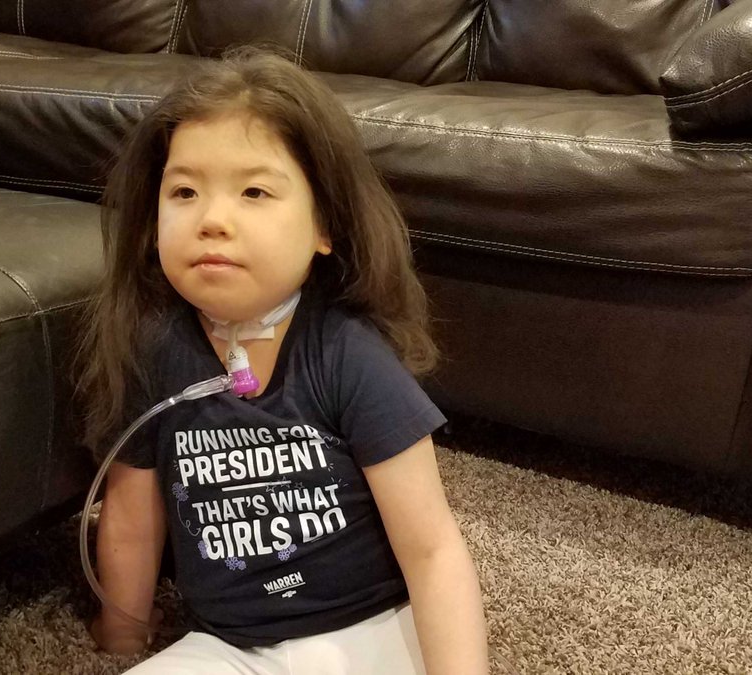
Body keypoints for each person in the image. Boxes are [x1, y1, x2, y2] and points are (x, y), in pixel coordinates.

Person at [74, 45, 489, 674]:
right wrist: (123, 634)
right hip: (228, 645)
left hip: (368, 628)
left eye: (254, 191)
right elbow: (133, 519)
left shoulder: (348, 352)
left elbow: (432, 550)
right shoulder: (153, 352)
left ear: (325, 226)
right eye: (185, 190)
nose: (213, 219)